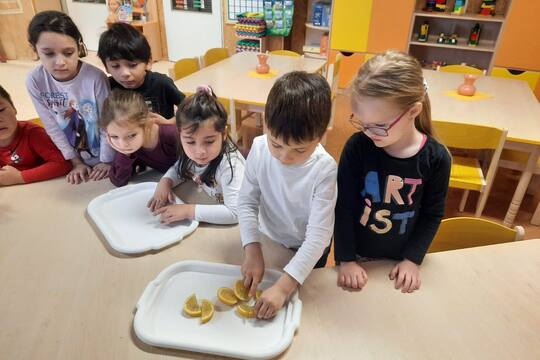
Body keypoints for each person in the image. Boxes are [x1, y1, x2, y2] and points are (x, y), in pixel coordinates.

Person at [334, 50, 451, 293]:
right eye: (362, 123)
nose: (368, 133)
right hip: (356, 258)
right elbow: (342, 207)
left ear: (413, 112)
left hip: (399, 262)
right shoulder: (357, 148)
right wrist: (346, 259)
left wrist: (412, 259)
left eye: (379, 126)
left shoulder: (437, 159)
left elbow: (432, 214)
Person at [238, 71, 337, 319]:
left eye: (299, 149)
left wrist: (284, 287)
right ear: (266, 125)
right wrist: (252, 248)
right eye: (277, 144)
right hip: (269, 239)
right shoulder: (260, 149)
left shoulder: (324, 169)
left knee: (304, 308)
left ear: (322, 135)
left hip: (308, 250)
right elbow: (247, 202)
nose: (284, 157)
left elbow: (318, 237)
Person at [26, 11, 114, 184]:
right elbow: (51, 125)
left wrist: (107, 160)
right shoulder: (35, 80)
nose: (60, 62)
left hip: (107, 158)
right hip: (74, 161)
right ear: (34, 48)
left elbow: (108, 123)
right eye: (49, 54)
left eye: (68, 52)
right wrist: (75, 162)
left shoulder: (95, 78)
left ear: (79, 46)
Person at [148, 85, 245, 225]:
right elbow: (178, 168)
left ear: (224, 134)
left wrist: (188, 211)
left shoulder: (232, 166)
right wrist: (165, 181)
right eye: (190, 142)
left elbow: (235, 213)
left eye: (209, 141)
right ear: (180, 135)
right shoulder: (189, 152)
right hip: (210, 200)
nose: (199, 151)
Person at [97, 22, 185, 125]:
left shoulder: (161, 83)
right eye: (115, 66)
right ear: (106, 67)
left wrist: (170, 122)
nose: (125, 73)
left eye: (132, 65)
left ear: (148, 62)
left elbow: (188, 108)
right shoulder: (107, 87)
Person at [99, 89, 179, 187]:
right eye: (114, 136)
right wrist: (125, 155)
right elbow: (118, 181)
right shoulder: (131, 148)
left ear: (147, 125)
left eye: (131, 135)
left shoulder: (172, 134)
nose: (123, 144)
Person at [0, 85, 71, 185]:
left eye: (1, 110)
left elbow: (63, 164)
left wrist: (19, 177)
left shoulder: (33, 133)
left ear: (14, 108)